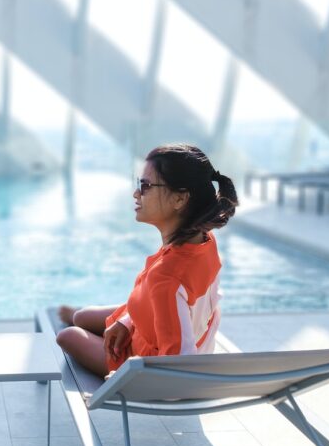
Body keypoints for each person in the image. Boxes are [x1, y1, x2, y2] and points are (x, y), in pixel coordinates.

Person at [56, 144, 237, 378]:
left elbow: (179, 363)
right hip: (185, 332)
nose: (136, 193)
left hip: (145, 357)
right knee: (81, 317)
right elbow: (187, 307)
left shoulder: (167, 277)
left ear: (180, 198)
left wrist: (124, 381)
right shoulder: (204, 241)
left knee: (68, 336)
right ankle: (94, 317)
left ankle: (77, 319)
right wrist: (127, 322)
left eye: (146, 186)